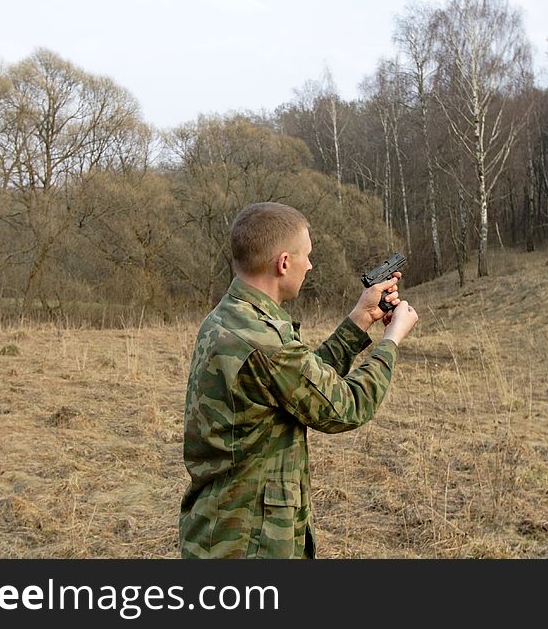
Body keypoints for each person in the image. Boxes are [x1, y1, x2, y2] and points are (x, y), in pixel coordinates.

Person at [179, 201, 419, 558]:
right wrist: (391, 340)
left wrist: (360, 320)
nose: (310, 264)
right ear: (283, 263)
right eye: (305, 255)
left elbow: (298, 384)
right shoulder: (262, 339)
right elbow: (344, 407)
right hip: (249, 543)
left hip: (225, 529)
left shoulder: (232, 317)